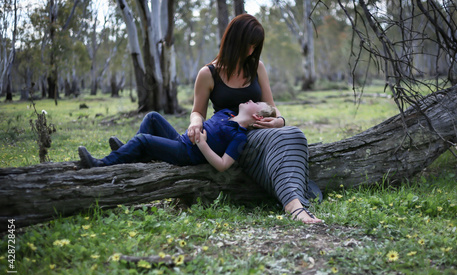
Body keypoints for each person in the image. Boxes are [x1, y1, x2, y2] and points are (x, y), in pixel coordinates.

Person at [187, 13, 323, 224]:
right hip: (234, 139)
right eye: (248, 45)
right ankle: (295, 207)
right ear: (234, 41)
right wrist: (196, 122)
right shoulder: (208, 73)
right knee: (282, 139)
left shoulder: (256, 67)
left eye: (255, 46)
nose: (251, 51)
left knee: (294, 133)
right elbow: (197, 111)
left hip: (263, 133)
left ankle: (293, 198)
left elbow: (272, 108)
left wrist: (280, 121)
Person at [77, 100, 276, 172]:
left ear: (256, 115)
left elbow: (223, 165)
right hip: (181, 139)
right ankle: (129, 151)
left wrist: (203, 144)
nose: (250, 99)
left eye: (254, 102)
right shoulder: (226, 113)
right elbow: (198, 115)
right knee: (152, 117)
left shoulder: (240, 136)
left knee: (142, 140)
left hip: (187, 153)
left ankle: (100, 165)